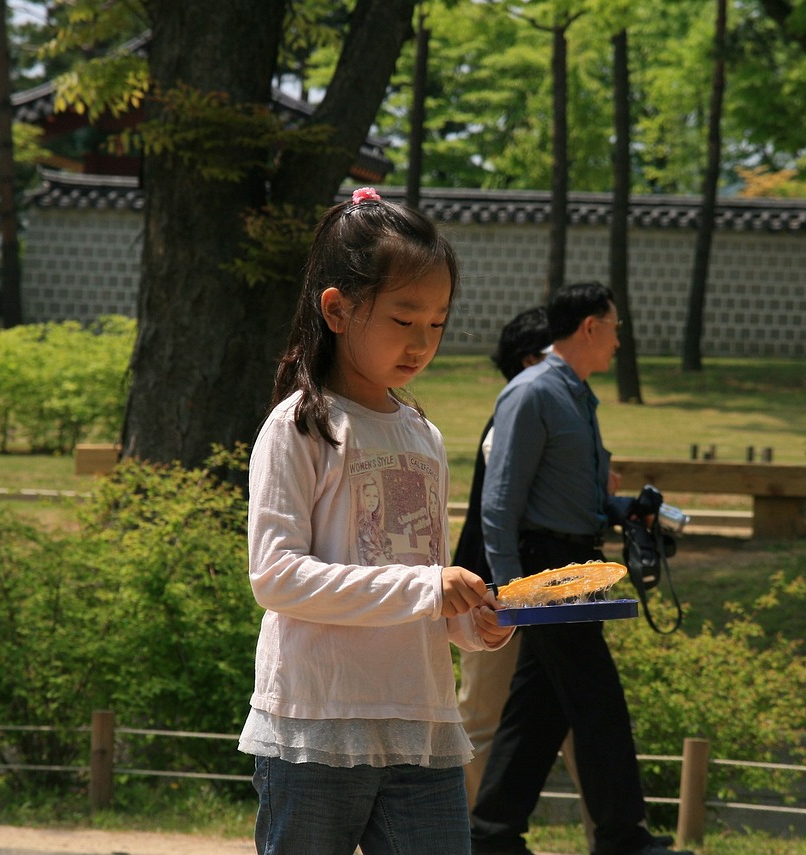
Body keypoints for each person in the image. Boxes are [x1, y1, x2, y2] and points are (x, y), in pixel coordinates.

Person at [240, 186, 514, 855]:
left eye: (438, 323)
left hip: (420, 719)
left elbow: (425, 579)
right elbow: (275, 577)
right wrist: (427, 589)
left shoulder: (423, 434)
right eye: (403, 318)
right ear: (337, 309)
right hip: (316, 722)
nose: (423, 341)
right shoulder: (301, 426)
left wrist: (474, 623)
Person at [470, 282, 692, 855]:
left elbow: (574, 501)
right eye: (615, 327)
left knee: (539, 711)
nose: (620, 341)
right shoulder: (534, 392)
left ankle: (491, 834)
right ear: (590, 327)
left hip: (575, 562)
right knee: (598, 704)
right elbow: (499, 504)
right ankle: (622, 839)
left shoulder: (575, 394)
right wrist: (513, 588)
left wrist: (623, 510)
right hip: (546, 571)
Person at [455, 306, 553, 810]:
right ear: (531, 359)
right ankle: (469, 833)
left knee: (576, 710)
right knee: (481, 716)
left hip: (547, 593)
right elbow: (504, 513)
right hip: (494, 590)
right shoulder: (511, 423)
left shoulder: (544, 414)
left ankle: (615, 836)